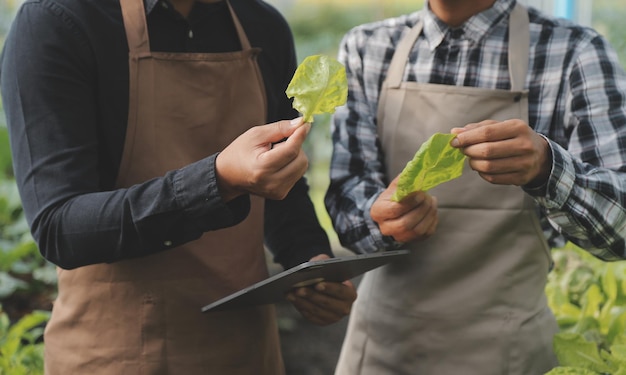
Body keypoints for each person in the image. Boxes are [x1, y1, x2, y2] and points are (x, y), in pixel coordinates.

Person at [0, 0, 357, 373]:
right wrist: (216, 181)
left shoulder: (261, 25)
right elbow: (61, 227)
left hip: (245, 353)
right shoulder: (61, 21)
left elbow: (283, 192)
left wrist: (312, 263)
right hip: (117, 355)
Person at [324, 0, 626, 374]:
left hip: (509, 351)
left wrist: (548, 169)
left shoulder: (574, 52)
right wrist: (379, 218)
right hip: (382, 349)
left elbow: (621, 231)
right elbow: (346, 192)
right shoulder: (368, 47)